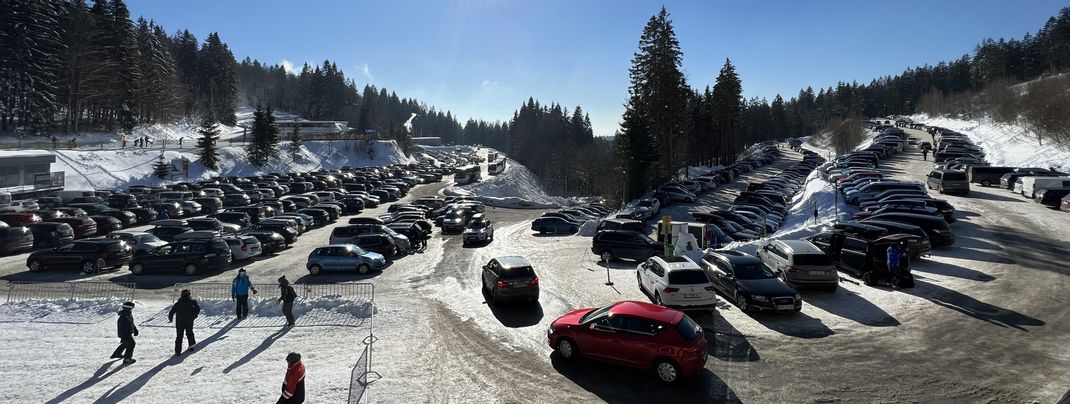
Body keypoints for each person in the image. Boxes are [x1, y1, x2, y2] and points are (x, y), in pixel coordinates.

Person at [168, 289, 201, 356]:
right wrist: (194, 316)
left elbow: (172, 311)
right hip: (189, 321)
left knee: (179, 336)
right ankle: (191, 346)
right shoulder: (193, 302)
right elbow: (197, 309)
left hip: (180, 321)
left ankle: (178, 351)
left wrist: (170, 318)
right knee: (190, 333)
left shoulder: (178, 303)